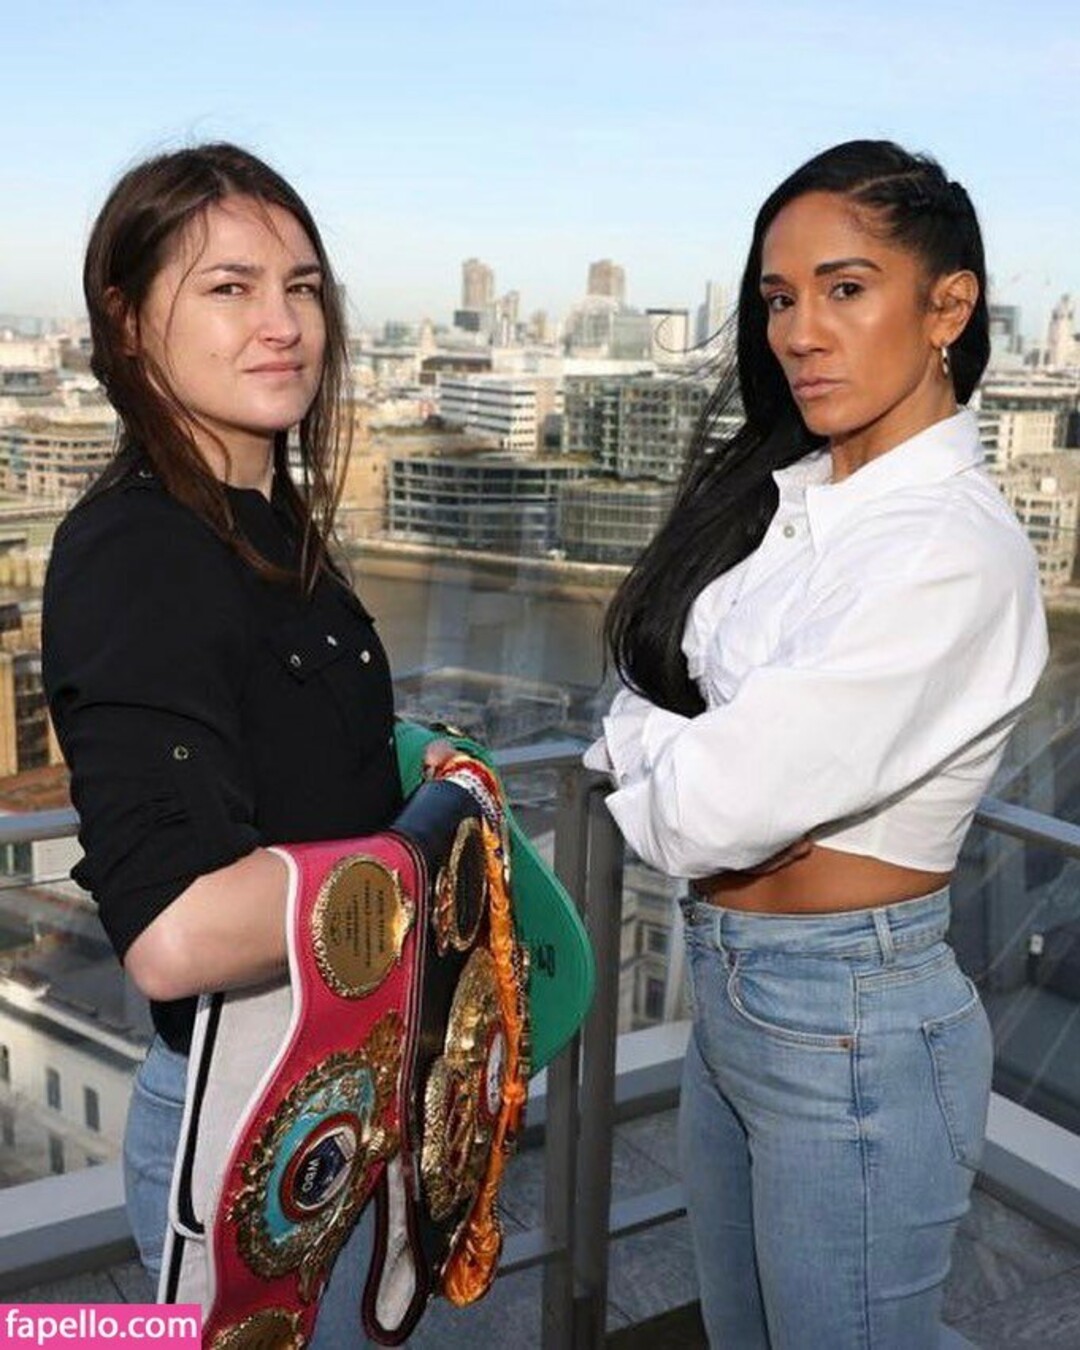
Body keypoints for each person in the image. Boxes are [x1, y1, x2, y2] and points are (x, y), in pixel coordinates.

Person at [587, 140, 1048, 1348]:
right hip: (738, 995)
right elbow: (638, 689)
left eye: (846, 289)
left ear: (947, 306)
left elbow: (706, 810)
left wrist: (676, 751)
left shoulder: (947, 549)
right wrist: (679, 745)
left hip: (852, 1016)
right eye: (779, 298)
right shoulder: (789, 503)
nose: (800, 332)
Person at [43, 143, 400, 1346]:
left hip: (332, 1102)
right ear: (127, 322)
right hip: (247, 1137)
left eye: (300, 287)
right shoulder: (140, 550)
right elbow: (175, 931)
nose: (282, 323)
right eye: (230, 288)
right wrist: (432, 867)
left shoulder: (265, 520)